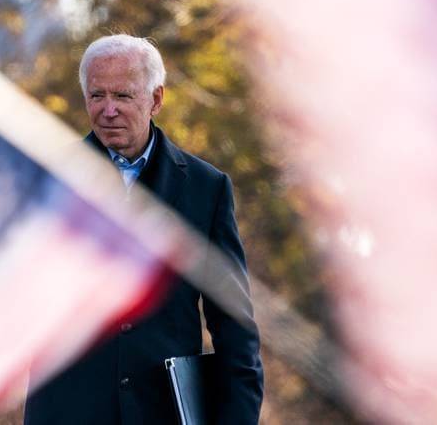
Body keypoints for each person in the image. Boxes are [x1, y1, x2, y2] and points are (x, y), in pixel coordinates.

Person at [24, 34, 264, 424]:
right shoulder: (46, 178)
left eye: (122, 95)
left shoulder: (207, 188)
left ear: (155, 99)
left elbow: (234, 326)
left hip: (164, 414)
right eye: (96, 95)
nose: (108, 110)